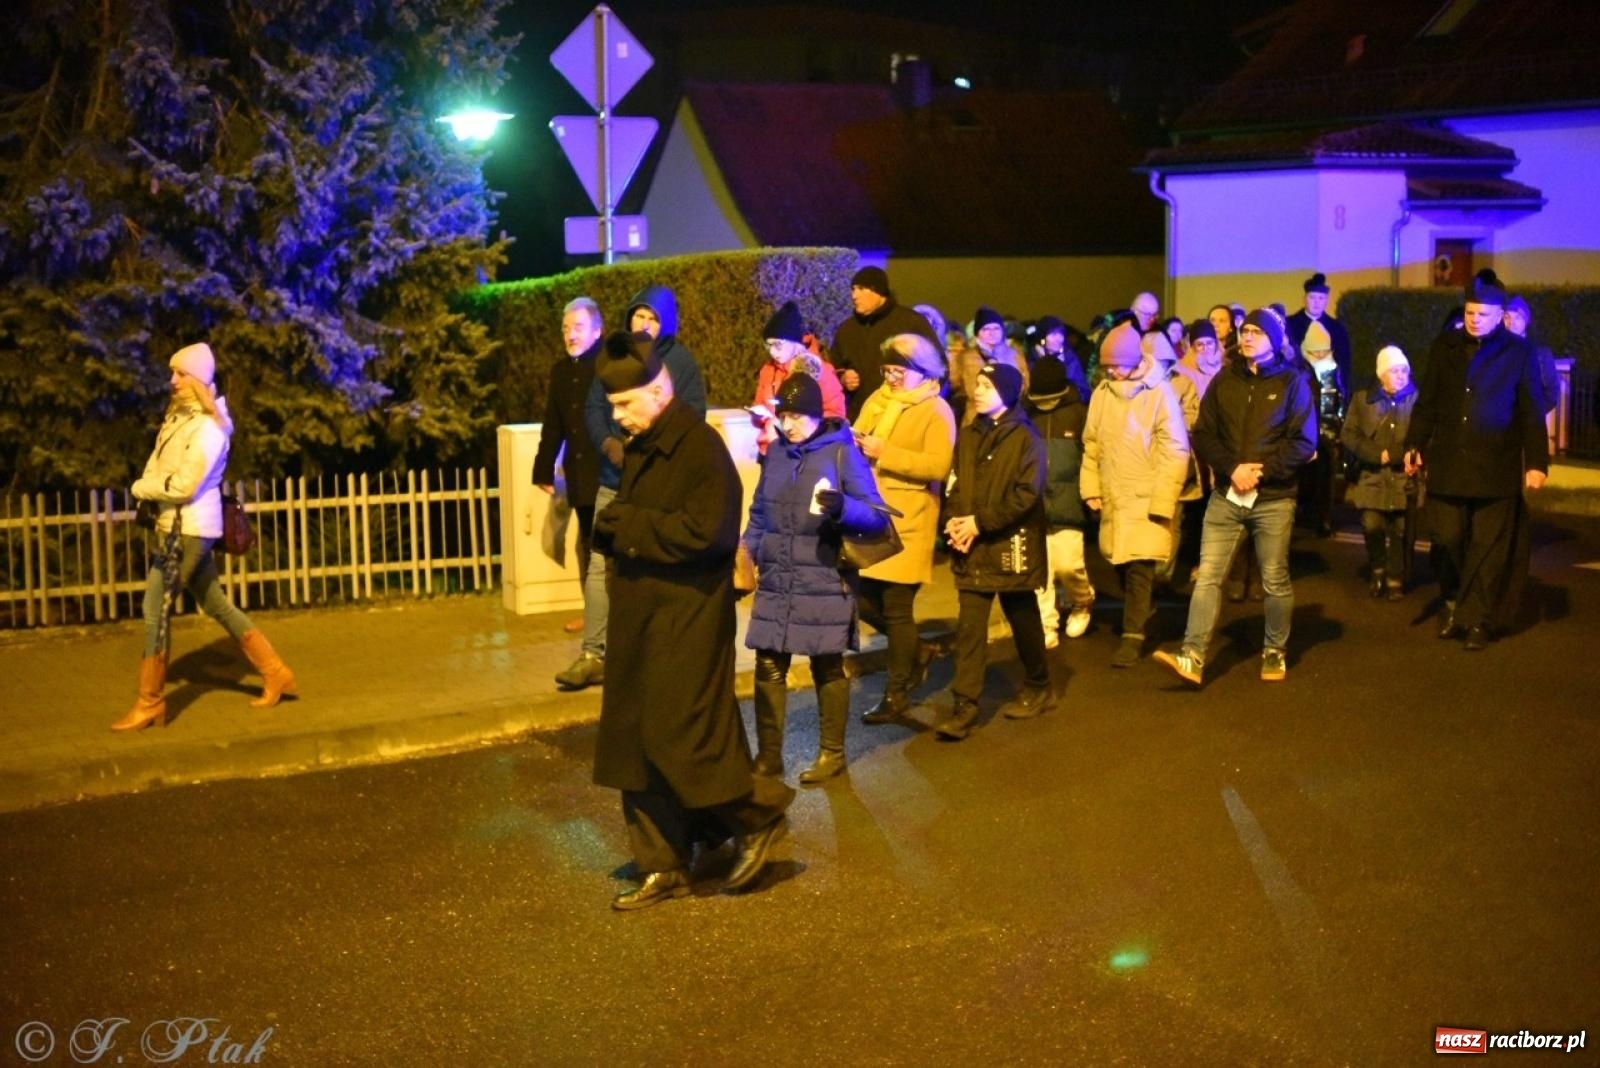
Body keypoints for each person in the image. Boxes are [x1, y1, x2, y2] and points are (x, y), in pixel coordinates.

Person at [589, 331, 793, 909]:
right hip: (642, 616)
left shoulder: (699, 448)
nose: (619, 417)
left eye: (626, 404)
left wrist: (624, 527)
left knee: (680, 737)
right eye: (613, 407)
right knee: (634, 740)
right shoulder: (646, 445)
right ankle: (665, 864)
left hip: (687, 620)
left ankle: (757, 815)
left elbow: (710, 535)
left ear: (659, 391)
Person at [113, 342, 296, 731]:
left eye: (180, 373)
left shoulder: (210, 428)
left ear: (197, 380)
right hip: (176, 527)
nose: (172, 380)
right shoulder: (178, 420)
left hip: (191, 530)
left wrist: (142, 488)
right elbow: (157, 463)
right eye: (172, 372)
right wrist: (148, 481)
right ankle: (276, 672)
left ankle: (150, 703)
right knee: (215, 604)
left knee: (153, 608)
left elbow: (184, 485)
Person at [1154, 307, 1316, 686]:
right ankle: (1192, 655)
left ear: (1274, 341)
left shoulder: (1293, 383)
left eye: (1256, 333)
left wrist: (1261, 471)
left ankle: (1274, 648)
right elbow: (1205, 433)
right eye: (1245, 331)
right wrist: (1233, 469)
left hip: (1273, 497)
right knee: (1208, 576)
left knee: (1274, 578)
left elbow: (1304, 440)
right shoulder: (1224, 382)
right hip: (1228, 496)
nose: (1246, 337)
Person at [744, 374, 888, 784]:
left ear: (816, 415)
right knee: (768, 665)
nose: (788, 425)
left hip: (824, 578)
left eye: (796, 417)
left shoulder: (842, 455)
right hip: (777, 577)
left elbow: (876, 517)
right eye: (783, 415)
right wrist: (743, 553)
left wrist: (843, 507)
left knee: (826, 667)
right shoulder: (775, 454)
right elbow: (759, 513)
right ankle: (769, 758)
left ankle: (832, 754)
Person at [567, 284, 708, 691]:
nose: (643, 325)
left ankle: (645, 655)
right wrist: (608, 443)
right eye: (638, 316)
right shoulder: (614, 354)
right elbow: (595, 407)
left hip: (657, 484)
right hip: (614, 481)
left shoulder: (680, 363)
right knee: (599, 565)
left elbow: (692, 413)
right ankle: (593, 654)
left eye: (652, 318)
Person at [1404, 270, 1548, 651]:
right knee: (1446, 538)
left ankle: (1476, 619)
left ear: (1500, 315)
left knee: (1488, 548)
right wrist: (1414, 443)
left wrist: (1536, 462)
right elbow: (1428, 403)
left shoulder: (1519, 352)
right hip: (1449, 464)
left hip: (1495, 466)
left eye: (1482, 315)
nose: (1474, 320)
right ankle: (1453, 600)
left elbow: (1531, 411)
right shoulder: (1445, 346)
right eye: (1469, 313)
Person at [937, 363, 1051, 740]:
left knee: (1022, 617)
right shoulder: (968, 435)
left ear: (1007, 391)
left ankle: (1038, 683)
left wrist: (979, 523)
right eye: (976, 384)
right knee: (970, 627)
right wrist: (954, 523)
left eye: (986, 385)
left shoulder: (1025, 438)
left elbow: (1025, 495)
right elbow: (954, 485)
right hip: (972, 544)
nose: (977, 391)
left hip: (1010, 543)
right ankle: (965, 705)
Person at [853, 334, 958, 723]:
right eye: (887, 370)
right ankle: (916, 651)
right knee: (856, 597)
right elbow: (856, 438)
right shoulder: (877, 401)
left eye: (899, 371)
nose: (892, 377)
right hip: (870, 517)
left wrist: (885, 453)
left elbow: (937, 466)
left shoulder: (937, 410)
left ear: (923, 371)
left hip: (909, 522)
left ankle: (896, 696)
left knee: (896, 609)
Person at [1081, 323, 1190, 667]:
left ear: (1134, 360)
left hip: (1145, 493)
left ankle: (1133, 635)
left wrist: (1162, 502)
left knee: (1140, 566)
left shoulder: (1159, 393)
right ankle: (1139, 615)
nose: (1111, 370)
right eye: (1107, 365)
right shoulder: (1103, 392)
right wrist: (1091, 488)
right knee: (1118, 561)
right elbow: (1092, 444)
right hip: (1114, 492)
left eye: (1116, 364)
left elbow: (1175, 450)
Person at [533, 297, 604, 641]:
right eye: (565, 328)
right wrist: (543, 469)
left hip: (605, 474)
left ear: (597, 330)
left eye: (578, 327)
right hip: (578, 475)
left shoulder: (606, 367)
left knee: (599, 547)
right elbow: (553, 424)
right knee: (585, 545)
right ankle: (595, 615)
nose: (570, 335)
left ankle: (607, 619)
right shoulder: (562, 371)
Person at [1024, 352, 1093, 649]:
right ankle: (1046, 623)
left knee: (1068, 565)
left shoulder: (1079, 412)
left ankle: (1082, 600)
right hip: (1034, 503)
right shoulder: (1026, 412)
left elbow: (1092, 457)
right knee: (1040, 570)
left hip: (1069, 503)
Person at [1341, 346, 1417, 600]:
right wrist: (1375, 454)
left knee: (1400, 529)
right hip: (1371, 475)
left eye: (1404, 370)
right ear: (1382, 374)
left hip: (1403, 477)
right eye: (1394, 370)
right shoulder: (1363, 399)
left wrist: (1396, 455)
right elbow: (1349, 434)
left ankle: (1395, 577)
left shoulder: (1416, 400)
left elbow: (1424, 435)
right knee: (1372, 524)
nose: (1400, 375)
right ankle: (1378, 568)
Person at [831, 266, 942, 421]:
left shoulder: (911, 322)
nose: (854, 295)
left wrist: (923, 407)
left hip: (905, 417)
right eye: (853, 289)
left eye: (861, 289)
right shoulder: (846, 329)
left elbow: (938, 367)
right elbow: (833, 367)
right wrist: (843, 378)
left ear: (879, 291)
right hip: (860, 418)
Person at [1141, 329, 1202, 587]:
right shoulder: (1135, 383)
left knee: (1171, 519)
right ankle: (1146, 575)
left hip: (1173, 461)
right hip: (1142, 463)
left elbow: (1193, 417)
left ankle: (1162, 575)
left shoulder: (1183, 383)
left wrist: (1166, 422)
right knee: (1145, 521)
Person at [750, 300, 846, 454]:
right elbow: (760, 403)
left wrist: (799, 422)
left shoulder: (819, 370)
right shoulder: (767, 370)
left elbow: (835, 414)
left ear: (794, 342)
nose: (772, 352)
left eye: (778, 345)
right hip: (770, 448)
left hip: (806, 450)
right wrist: (759, 415)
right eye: (768, 346)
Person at [1295, 318, 1348, 536]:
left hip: (1328, 433)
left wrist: (1337, 426)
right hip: (1306, 433)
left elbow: (1341, 400)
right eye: (1315, 351)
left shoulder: (1334, 372)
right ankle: (1305, 515)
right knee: (1306, 478)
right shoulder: (1300, 372)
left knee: (1326, 481)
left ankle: (1322, 519)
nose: (1320, 356)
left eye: (1324, 351)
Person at [1287, 272, 1353, 390]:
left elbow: (1344, 361)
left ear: (1326, 300)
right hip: (1300, 382)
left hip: (1328, 383)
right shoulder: (1291, 324)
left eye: (1321, 298)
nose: (1316, 302)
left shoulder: (1336, 328)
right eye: (1312, 297)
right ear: (1305, 299)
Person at [1029, 314, 1092, 397]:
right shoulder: (1034, 360)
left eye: (1061, 333)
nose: (1059, 339)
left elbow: (1083, 389)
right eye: (1053, 334)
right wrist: (1044, 361)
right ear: (1042, 339)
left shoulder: (1069, 357)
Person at [1178, 318, 1224, 399]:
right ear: (1192, 347)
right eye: (1200, 344)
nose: (1205, 348)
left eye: (1209, 343)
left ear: (1216, 344)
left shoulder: (1226, 365)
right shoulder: (1183, 370)